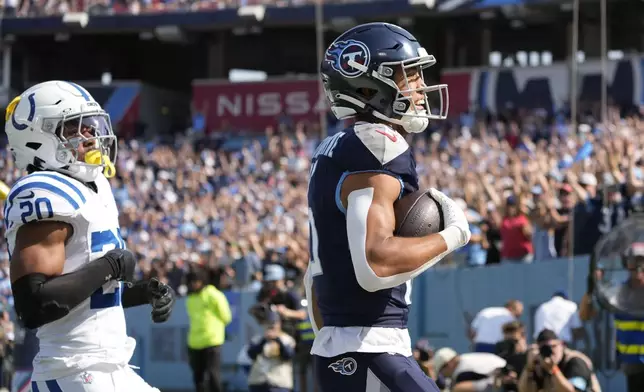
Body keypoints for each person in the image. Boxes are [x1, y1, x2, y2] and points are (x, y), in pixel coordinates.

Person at [304, 22, 470, 392]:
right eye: (409, 75)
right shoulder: (378, 145)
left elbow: (314, 279)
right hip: (372, 349)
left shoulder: (334, 148)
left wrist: (336, 346)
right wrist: (453, 235)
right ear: (368, 86)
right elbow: (375, 264)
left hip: (344, 351)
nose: (421, 88)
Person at [4, 81, 176, 391]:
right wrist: (109, 266)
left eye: (91, 126)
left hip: (106, 367)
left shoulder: (96, 187)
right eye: (74, 128)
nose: (90, 136)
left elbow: (87, 295)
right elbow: (35, 306)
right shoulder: (43, 191)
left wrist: (137, 293)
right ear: (36, 138)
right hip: (74, 371)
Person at [185, 266, 232, 392]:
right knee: (198, 378)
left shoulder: (214, 294)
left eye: (196, 281)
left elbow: (226, 316)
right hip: (194, 342)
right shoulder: (190, 298)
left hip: (212, 341)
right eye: (191, 281)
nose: (194, 284)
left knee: (213, 376)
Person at [518, 329, 592, 392]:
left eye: (553, 346)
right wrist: (528, 368)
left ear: (561, 345)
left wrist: (553, 369)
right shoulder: (540, 364)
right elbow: (524, 390)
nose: (551, 351)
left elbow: (573, 391)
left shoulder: (575, 361)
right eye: (545, 348)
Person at [247, 310, 296, 392]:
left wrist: (277, 340)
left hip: (279, 383)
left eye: (274, 323)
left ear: (279, 324)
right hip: (258, 382)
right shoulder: (258, 339)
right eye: (269, 323)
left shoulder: (287, 339)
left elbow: (288, 355)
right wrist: (264, 340)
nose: (271, 326)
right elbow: (251, 354)